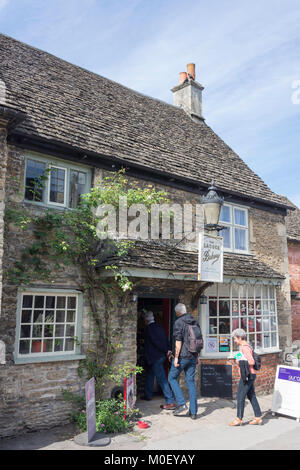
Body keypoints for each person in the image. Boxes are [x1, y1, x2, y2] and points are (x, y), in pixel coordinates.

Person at [168, 303, 201, 420]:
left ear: (177, 312)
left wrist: (176, 357)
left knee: (171, 377)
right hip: (193, 356)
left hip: (182, 356)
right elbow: (198, 340)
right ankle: (193, 412)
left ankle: (182, 404)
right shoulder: (194, 321)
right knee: (190, 381)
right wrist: (197, 356)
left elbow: (178, 342)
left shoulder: (178, 322)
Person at [142, 311, 176, 410]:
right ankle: (148, 395)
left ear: (147, 319)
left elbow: (156, 342)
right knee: (150, 375)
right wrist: (168, 349)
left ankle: (170, 401)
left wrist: (166, 350)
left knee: (162, 379)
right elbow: (166, 340)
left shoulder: (149, 328)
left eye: (144, 319)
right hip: (160, 356)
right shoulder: (159, 327)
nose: (144, 320)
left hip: (155, 357)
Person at [229, 328, 263, 426]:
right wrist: (238, 359)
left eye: (235, 339)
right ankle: (258, 417)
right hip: (250, 374)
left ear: (240, 337)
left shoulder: (245, 347)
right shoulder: (244, 347)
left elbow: (251, 361)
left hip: (247, 375)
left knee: (240, 396)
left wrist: (239, 361)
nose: (234, 341)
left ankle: (239, 418)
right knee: (251, 395)